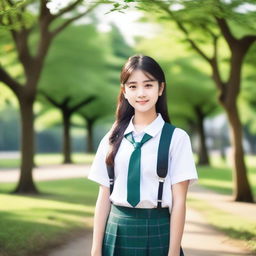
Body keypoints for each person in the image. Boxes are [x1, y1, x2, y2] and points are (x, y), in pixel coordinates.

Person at [87, 54, 198, 256]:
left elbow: (180, 201)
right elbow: (103, 196)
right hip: (116, 229)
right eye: (132, 86)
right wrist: (96, 249)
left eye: (148, 85)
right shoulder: (112, 138)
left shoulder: (177, 138)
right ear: (124, 91)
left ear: (161, 88)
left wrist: (173, 252)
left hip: (158, 230)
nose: (141, 93)